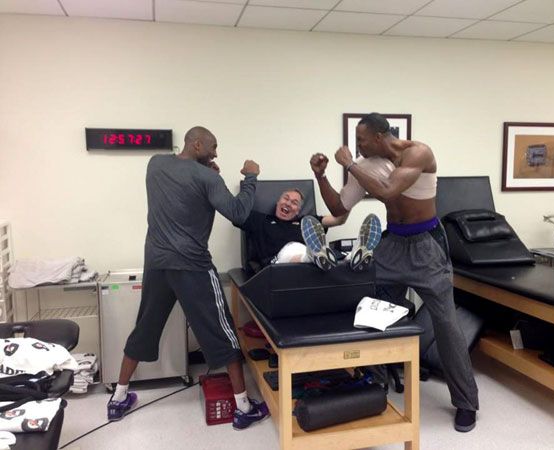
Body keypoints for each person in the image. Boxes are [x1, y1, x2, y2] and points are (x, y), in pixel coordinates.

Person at [309, 113, 479, 432]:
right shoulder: (366, 166)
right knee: (373, 313)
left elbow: (388, 191)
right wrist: (320, 176)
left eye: (361, 139)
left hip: (427, 244)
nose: (357, 146)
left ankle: (466, 403)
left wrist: (349, 164)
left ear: (379, 136)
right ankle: (374, 387)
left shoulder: (418, 153)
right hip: (393, 244)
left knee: (446, 325)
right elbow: (338, 209)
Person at [107, 126, 270, 430]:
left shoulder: (155, 164)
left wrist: (204, 169)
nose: (217, 153)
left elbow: (182, 184)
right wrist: (250, 178)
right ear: (197, 144)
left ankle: (118, 398)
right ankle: (244, 407)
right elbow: (239, 213)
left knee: (144, 326)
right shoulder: (208, 178)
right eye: (213, 147)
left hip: (157, 263)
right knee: (224, 333)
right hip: (193, 265)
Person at [237, 188, 382, 272]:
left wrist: (351, 197)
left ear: (298, 210)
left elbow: (338, 219)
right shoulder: (261, 220)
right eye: (285, 199)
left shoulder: (307, 222)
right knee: (295, 249)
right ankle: (315, 256)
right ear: (278, 202)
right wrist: (251, 176)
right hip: (277, 264)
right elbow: (235, 212)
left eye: (294, 203)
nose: (288, 203)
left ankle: (353, 255)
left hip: (311, 262)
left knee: (336, 258)